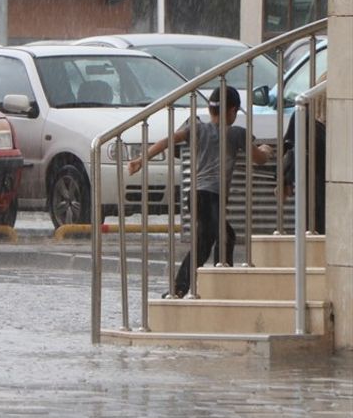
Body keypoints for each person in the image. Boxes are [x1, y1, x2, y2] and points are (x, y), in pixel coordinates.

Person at [128, 86, 273, 298]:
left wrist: (141, 159)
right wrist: (267, 150)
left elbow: (168, 140)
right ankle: (182, 287)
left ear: (210, 108)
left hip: (195, 195)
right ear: (233, 110)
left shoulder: (197, 129)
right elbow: (259, 159)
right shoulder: (236, 133)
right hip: (212, 197)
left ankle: (219, 277)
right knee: (208, 242)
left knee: (224, 235)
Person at [281, 71, 327, 234]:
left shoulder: (303, 115)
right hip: (319, 186)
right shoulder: (306, 117)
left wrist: (283, 179)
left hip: (310, 187)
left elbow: (288, 148)